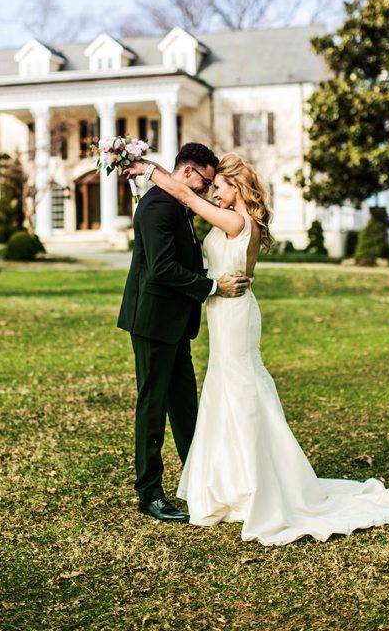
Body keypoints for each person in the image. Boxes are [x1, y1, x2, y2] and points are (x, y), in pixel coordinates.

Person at [123, 151, 389, 545]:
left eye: (218, 186)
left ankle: (254, 482)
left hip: (234, 314)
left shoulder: (238, 221)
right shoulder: (230, 218)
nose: (212, 192)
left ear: (236, 187)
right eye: (209, 184)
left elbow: (188, 199)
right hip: (219, 310)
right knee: (223, 393)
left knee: (239, 391)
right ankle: (223, 479)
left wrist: (148, 168)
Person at [117, 142, 251, 522]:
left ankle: (202, 480)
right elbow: (161, 269)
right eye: (206, 182)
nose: (208, 191)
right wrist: (211, 286)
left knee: (184, 406)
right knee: (153, 405)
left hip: (175, 321)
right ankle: (150, 492)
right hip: (153, 320)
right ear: (188, 172)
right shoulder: (158, 206)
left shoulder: (174, 202)